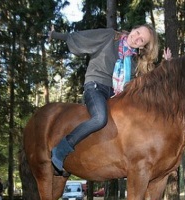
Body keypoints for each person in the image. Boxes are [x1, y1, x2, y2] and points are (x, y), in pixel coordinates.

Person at [49, 24, 161, 174]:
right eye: (138, 33)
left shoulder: (133, 62)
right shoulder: (109, 36)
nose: (137, 38)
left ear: (142, 47)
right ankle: (60, 150)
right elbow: (82, 36)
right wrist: (55, 35)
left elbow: (144, 82)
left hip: (115, 95)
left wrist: (165, 65)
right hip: (95, 86)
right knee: (100, 118)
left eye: (142, 40)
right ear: (133, 29)